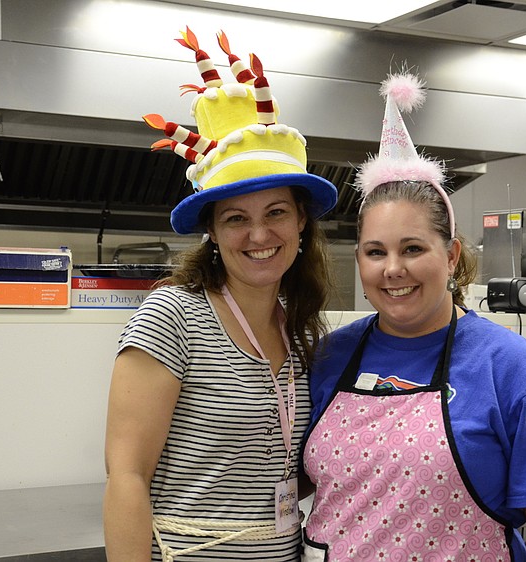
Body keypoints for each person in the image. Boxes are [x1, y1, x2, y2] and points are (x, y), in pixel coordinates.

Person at [301, 72, 526, 562]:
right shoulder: (330, 356)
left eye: (413, 248)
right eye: (375, 251)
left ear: (451, 256)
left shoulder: (517, 371)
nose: (393, 269)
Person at [103, 28, 338, 561]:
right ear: (211, 231)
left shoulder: (299, 326)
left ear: (302, 221)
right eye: (236, 219)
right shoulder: (172, 316)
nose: (259, 235)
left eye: (276, 212)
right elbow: (126, 475)